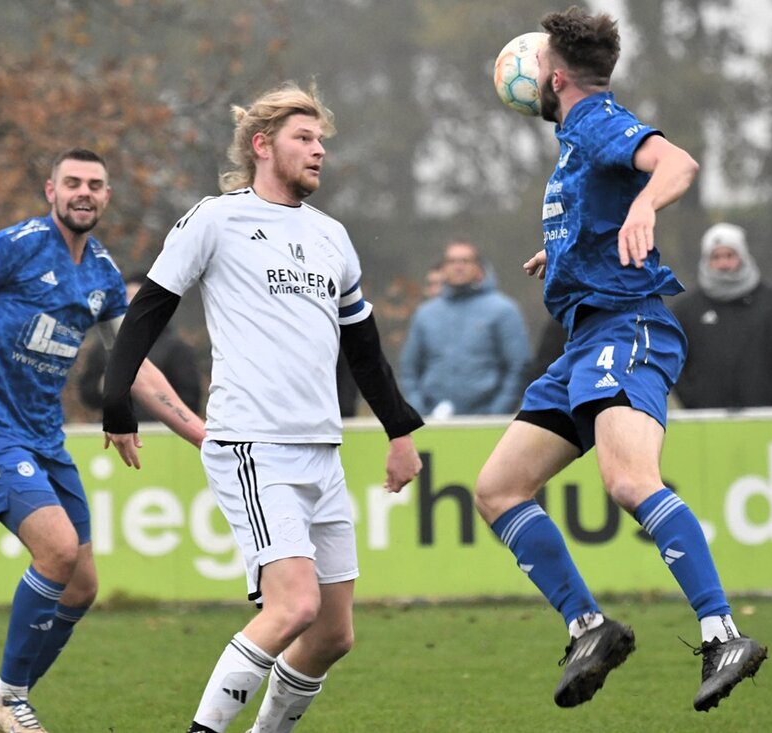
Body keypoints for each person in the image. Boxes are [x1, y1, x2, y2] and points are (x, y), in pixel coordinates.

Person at [100, 82, 424, 733]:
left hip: (322, 449)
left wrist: (400, 430)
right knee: (293, 606)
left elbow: (364, 350)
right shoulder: (216, 219)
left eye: (321, 141)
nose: (319, 151)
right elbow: (146, 313)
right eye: (304, 138)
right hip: (254, 443)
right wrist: (116, 402)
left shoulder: (333, 236)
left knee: (333, 632)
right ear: (261, 145)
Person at [472, 7, 766, 714]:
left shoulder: (598, 120)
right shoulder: (576, 142)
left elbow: (678, 162)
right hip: (584, 339)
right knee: (498, 487)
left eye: (538, 66)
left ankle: (722, 630)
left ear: (558, 77)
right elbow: (599, 209)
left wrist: (646, 210)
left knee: (629, 480)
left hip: (628, 329)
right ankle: (589, 625)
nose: (531, 76)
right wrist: (568, 249)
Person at [0, 148, 205, 733]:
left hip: (45, 440)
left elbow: (134, 364)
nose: (83, 192)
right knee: (56, 551)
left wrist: (201, 434)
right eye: (72, 182)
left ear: (107, 197)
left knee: (81, 586)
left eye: (95, 184)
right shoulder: (15, 245)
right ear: (50, 191)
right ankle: (9, 698)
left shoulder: (104, 274)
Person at [672, 222, 772, 408]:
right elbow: (673, 359)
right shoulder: (685, 311)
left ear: (743, 256)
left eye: (729, 255)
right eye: (716, 257)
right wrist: (693, 400)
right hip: (705, 423)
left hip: (761, 419)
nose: (723, 263)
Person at [399, 240, 531, 417]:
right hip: (433, 422)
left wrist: (497, 412)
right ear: (443, 268)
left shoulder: (503, 310)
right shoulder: (425, 314)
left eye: (465, 261)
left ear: (478, 267)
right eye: (452, 261)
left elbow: (519, 366)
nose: (458, 267)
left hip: (486, 422)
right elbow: (409, 369)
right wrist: (420, 410)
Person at [78, 272, 202, 419]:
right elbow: (87, 395)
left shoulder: (176, 348)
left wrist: (154, 394)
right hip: (115, 433)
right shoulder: (104, 347)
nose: (129, 304)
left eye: (136, 297)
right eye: (125, 297)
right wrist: (104, 384)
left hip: (161, 434)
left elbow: (191, 400)